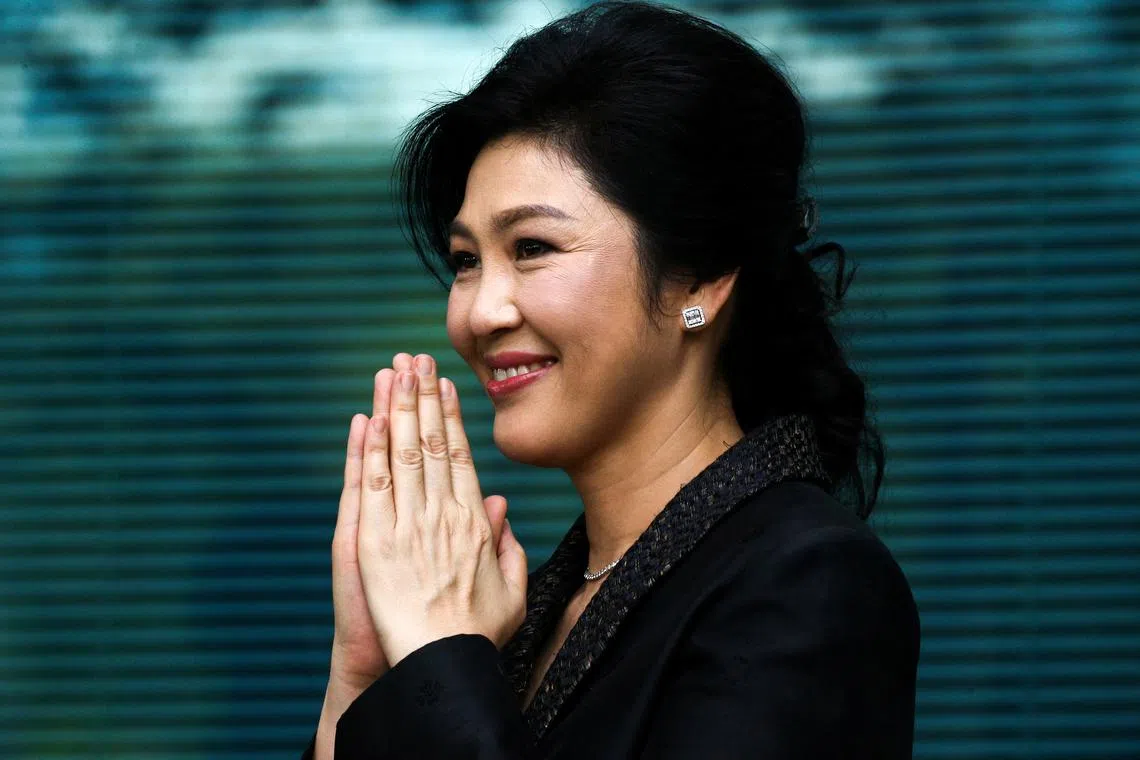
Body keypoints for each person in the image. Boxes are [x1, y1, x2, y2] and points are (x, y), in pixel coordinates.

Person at [301, 1, 920, 757]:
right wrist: (362, 679)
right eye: (466, 261)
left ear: (700, 278)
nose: (480, 312)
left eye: (532, 247)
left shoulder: (808, 580)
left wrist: (440, 653)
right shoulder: (520, 611)